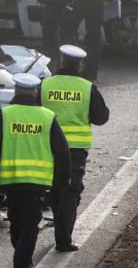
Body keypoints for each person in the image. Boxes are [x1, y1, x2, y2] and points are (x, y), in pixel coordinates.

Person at [0, 73, 70, 268]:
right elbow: (62, 152)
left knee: (17, 221)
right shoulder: (47, 116)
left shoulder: (5, 114)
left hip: (11, 181)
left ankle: (21, 258)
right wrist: (61, 183)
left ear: (15, 91)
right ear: (36, 92)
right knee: (31, 223)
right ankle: (21, 264)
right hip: (37, 183)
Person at [40, 45, 110, 252]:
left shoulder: (45, 85)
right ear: (80, 65)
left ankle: (60, 229)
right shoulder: (87, 88)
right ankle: (63, 239)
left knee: (54, 190)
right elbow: (101, 117)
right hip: (75, 151)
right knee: (71, 192)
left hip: (48, 147)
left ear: (61, 61)